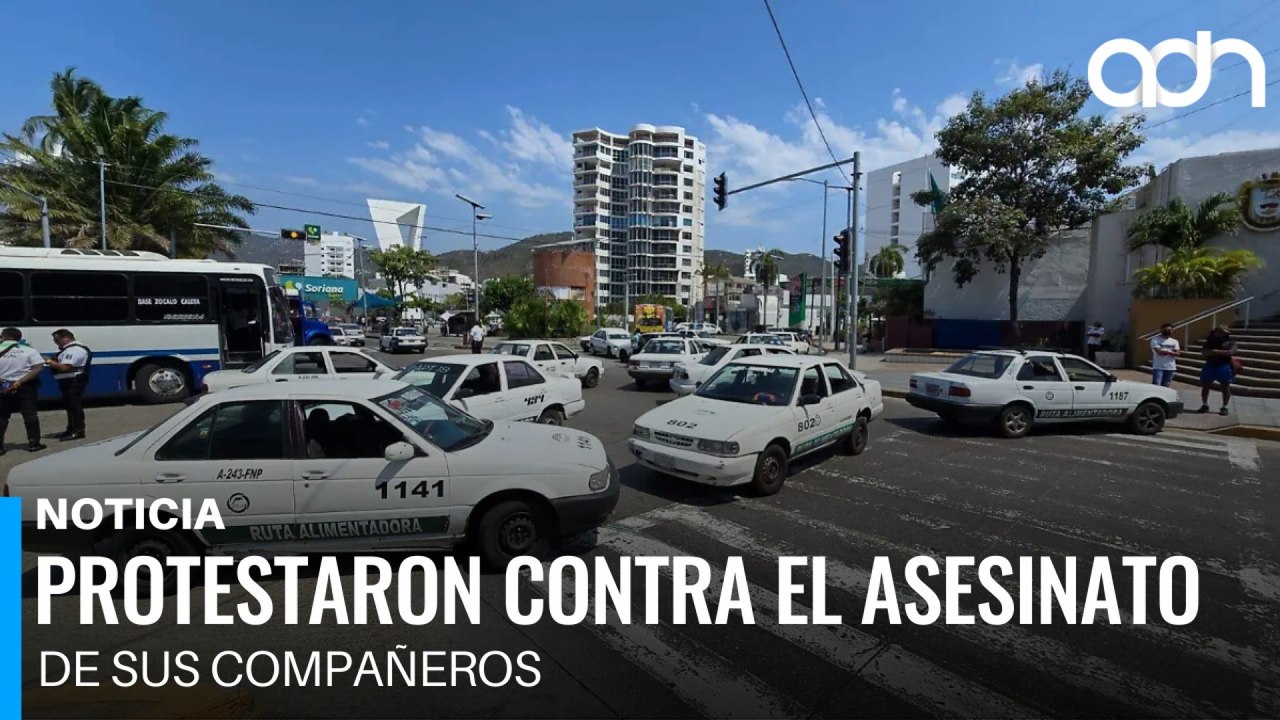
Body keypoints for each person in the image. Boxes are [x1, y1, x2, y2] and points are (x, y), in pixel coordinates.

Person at [0, 327, 47, 454]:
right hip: (25, 386)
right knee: (30, 414)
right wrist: (19, 382)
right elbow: (37, 368)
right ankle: (34, 443)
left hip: (2, 387)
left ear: (3, 336)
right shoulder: (29, 350)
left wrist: (4, 381)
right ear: (19, 338)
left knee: (2, 416)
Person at [45, 329, 91, 441]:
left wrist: (48, 361)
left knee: (74, 406)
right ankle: (71, 429)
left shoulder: (74, 350)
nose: (56, 342)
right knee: (70, 406)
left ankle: (78, 431)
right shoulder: (67, 350)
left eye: (57, 340)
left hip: (73, 381)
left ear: (65, 337)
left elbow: (66, 367)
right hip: (68, 381)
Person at [1198, 325, 1237, 415]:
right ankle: (1205, 404)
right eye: (1218, 331)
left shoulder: (1230, 342)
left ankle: (1225, 406)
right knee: (1205, 386)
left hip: (1224, 365)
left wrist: (1216, 352)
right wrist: (1210, 353)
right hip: (1210, 364)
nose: (1219, 333)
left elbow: (1231, 352)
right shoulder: (1210, 341)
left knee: (1225, 386)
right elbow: (1203, 353)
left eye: (1222, 332)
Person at [1148, 323, 1179, 387]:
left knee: (1166, 386)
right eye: (1166, 330)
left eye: (1170, 330)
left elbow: (1177, 353)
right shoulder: (1155, 340)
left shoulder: (1175, 341)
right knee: (1156, 385)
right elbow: (1159, 352)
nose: (1168, 331)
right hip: (1158, 367)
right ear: (1161, 330)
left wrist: (1165, 352)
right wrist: (1170, 352)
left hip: (1170, 367)